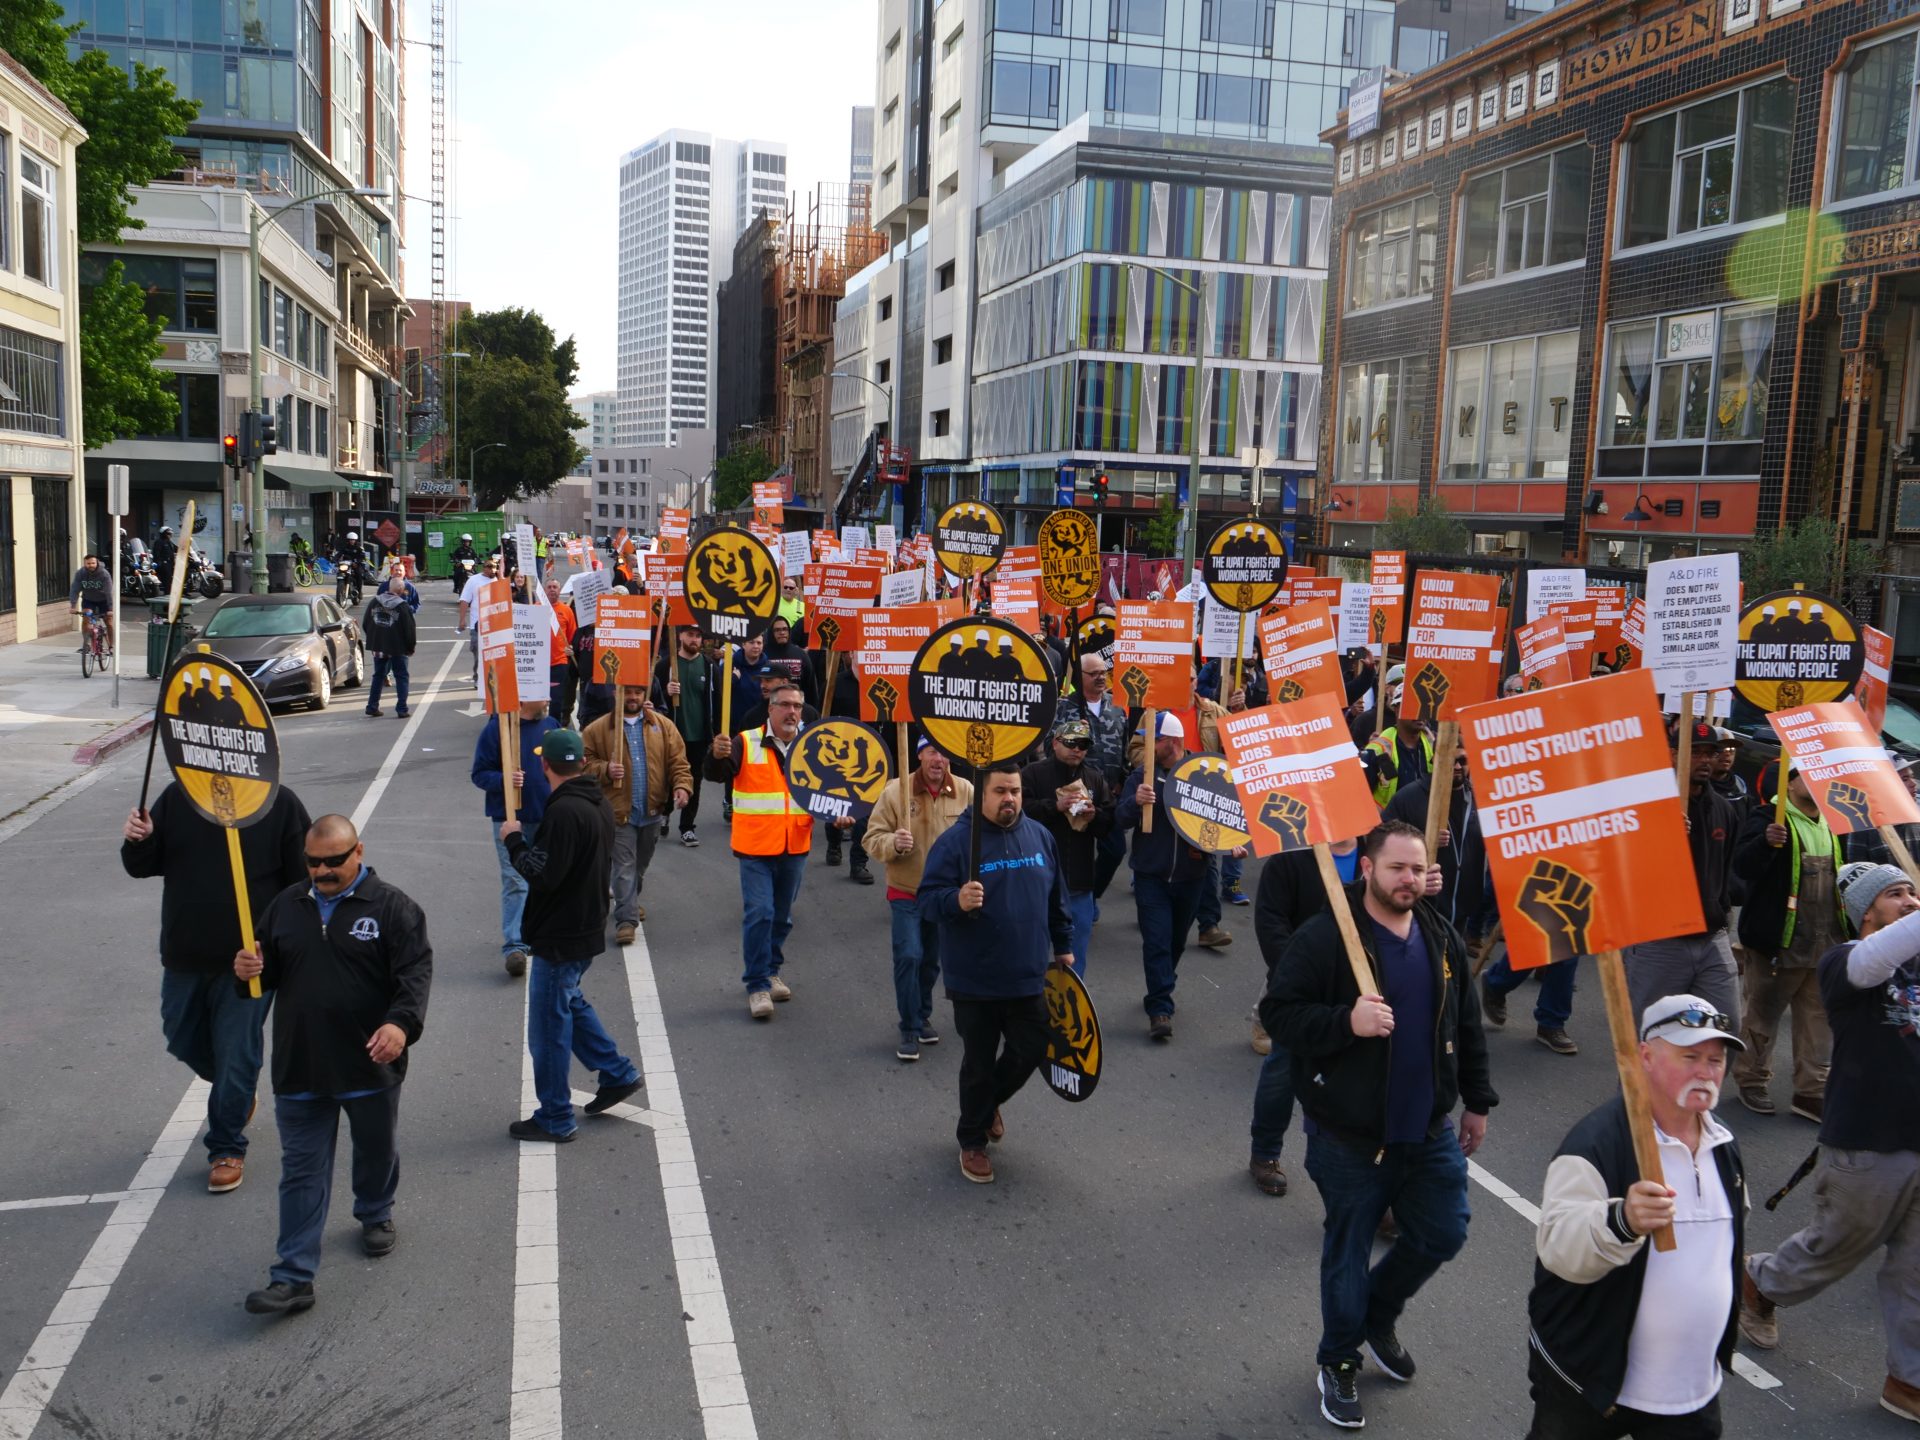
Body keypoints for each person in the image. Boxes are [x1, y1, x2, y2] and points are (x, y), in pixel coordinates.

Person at [1261, 819, 1497, 1431]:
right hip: (1350, 1135)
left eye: (1417, 869)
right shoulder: (1327, 938)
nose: (1408, 880)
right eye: (1396, 868)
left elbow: (1466, 1024)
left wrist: (1478, 1099)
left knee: (1444, 1232)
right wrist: (1347, 1023)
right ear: (1367, 869)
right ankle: (1337, 1360)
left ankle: (1378, 1313)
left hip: (1427, 1127)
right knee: (1347, 1249)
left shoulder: (1439, 936)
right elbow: (1279, 1015)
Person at [1739, 863, 1920, 1423]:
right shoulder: (1844, 963)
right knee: (1834, 1249)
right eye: (1897, 894)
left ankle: (1907, 1379)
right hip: (1868, 1139)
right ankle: (1760, 1281)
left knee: (1917, 1268)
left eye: (1914, 889)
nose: (1911, 899)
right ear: (1867, 912)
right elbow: (1872, 961)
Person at [233, 816, 433, 1314]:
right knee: (301, 1171)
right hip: (301, 1066)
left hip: (369, 1065)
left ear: (358, 852)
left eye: (333, 861)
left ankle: (374, 1211)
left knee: (375, 1149)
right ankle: (293, 1276)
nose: (321, 871)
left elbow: (414, 976)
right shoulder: (286, 906)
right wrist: (245, 973)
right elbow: (262, 976)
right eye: (313, 861)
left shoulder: (394, 909)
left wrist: (400, 1026)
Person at [1525, 994, 1746, 1438]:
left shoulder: (1724, 1145)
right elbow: (1558, 1247)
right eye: (1691, 1056)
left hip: (1692, 1392)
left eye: (1716, 1059)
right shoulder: (1594, 1145)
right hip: (1590, 1385)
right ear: (1645, 1056)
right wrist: (1621, 1221)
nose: (1707, 1070)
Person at [121, 783, 312, 1194]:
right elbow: (141, 865)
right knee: (181, 1038)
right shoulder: (178, 797)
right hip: (185, 953)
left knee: (236, 1052)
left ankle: (226, 1147)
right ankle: (237, 1092)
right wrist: (139, 839)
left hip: (249, 962)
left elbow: (302, 886)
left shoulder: (279, 802)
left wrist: (282, 947)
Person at [917, 764, 1075, 1184]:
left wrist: (1064, 945)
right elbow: (927, 902)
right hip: (975, 979)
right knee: (979, 1063)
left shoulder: (1039, 836)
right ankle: (972, 1141)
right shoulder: (955, 844)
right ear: (981, 796)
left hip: (1028, 974)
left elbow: (1056, 896)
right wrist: (956, 900)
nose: (1010, 798)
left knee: (1032, 1048)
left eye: (1016, 791)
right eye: (1001, 790)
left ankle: (986, 1106)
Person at [500, 729, 644, 1140]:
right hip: (584, 926)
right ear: (581, 762)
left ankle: (555, 1116)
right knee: (569, 1001)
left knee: (547, 1028)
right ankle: (616, 1072)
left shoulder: (562, 813)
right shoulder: (595, 803)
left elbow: (542, 874)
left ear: (545, 765)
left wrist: (513, 843)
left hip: (560, 935)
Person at [1730, 761, 1841, 1120]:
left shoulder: (1829, 819)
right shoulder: (1767, 817)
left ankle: (1811, 1092)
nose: (1816, 781)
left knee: (1818, 1021)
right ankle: (1752, 1080)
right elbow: (1742, 867)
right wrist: (1765, 843)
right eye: (1805, 775)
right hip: (1779, 942)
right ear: (1789, 784)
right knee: (1762, 1015)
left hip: (1824, 941)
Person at [1248, 834, 1358, 1197]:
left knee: (1360, 1085)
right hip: (1301, 993)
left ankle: (1360, 1184)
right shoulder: (1290, 859)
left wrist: (1426, 884)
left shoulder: (1378, 852)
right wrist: (1297, 974)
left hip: (1361, 995)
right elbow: (1271, 922)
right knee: (1283, 1071)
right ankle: (1265, 1153)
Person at [1624, 720, 1742, 1034]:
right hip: (1659, 940)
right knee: (1649, 1037)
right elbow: (1624, 865)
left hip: (1711, 939)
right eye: (1696, 752)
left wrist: (1722, 917)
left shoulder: (1724, 810)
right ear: (1673, 753)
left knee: (1726, 1030)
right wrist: (1658, 834)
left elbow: (1724, 871)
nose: (1705, 759)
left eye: (1710, 753)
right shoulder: (1647, 804)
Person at [705, 680, 813, 1019]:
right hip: (755, 847)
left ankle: (771, 969)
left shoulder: (814, 743)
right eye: (785, 705)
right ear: (770, 708)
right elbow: (715, 773)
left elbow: (832, 789)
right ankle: (756, 985)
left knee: (782, 917)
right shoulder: (745, 741)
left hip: (795, 843)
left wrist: (841, 816)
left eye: (797, 706)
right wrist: (715, 754)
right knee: (760, 913)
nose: (792, 712)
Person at [863, 737, 975, 1061]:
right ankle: (909, 1027)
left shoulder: (966, 790)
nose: (938, 759)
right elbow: (872, 837)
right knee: (909, 955)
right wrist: (893, 843)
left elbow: (981, 835)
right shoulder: (895, 791)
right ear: (920, 756)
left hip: (943, 895)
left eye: (944, 753)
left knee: (930, 960)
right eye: (932, 752)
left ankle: (922, 1013)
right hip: (905, 889)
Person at [1115, 712, 1213, 1040]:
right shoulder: (1142, 775)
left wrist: (1232, 846)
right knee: (1156, 941)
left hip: (1191, 875)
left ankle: (1162, 983)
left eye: (1152, 740)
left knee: (1174, 942)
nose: (1145, 745)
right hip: (1150, 875)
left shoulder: (1202, 773)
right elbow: (1121, 819)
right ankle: (1160, 1008)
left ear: (1171, 742)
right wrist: (1134, 802)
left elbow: (1223, 819)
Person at [582, 687, 692, 944]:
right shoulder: (597, 730)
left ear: (644, 695)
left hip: (652, 811)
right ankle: (626, 920)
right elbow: (583, 765)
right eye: (627, 692)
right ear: (616, 695)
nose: (632, 697)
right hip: (617, 813)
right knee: (624, 868)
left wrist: (682, 786)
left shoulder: (663, 726)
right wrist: (605, 769)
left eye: (637, 693)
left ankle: (627, 899)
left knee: (639, 865)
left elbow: (679, 762)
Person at [470, 701, 559, 977]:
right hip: (510, 819)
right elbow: (479, 774)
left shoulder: (551, 725)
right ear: (522, 699)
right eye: (540, 693)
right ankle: (515, 946)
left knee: (545, 879)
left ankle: (542, 933)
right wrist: (503, 779)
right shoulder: (496, 729)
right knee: (515, 880)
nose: (546, 698)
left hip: (546, 817)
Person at [1020, 719, 1114, 975]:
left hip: (1079, 883)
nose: (1077, 749)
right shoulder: (1033, 774)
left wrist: (1095, 815)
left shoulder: (1094, 778)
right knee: (1033, 952)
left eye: (1083, 744)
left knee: (1074, 956)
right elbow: (1018, 815)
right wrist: (1055, 806)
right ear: (1055, 743)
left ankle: (1073, 1006)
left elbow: (1109, 825)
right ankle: (1032, 1005)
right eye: (1071, 742)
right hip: (1037, 880)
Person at [1054, 652, 1132, 900]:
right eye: (1094, 673)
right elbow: (1048, 747)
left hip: (1107, 796)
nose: (1101, 678)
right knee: (1075, 853)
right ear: (1080, 676)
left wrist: (1122, 779)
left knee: (1115, 850)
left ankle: (1092, 893)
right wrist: (1073, 735)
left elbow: (1125, 747)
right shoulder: (1065, 708)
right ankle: (1073, 900)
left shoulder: (1117, 708)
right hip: (1074, 792)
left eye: (1103, 672)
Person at [656, 624, 720, 847]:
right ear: (680, 636)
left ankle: (687, 827)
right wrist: (666, 692)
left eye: (698, 636)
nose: (694, 640)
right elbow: (653, 700)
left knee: (694, 780)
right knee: (665, 778)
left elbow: (718, 700)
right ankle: (663, 814)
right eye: (690, 635)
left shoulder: (709, 667)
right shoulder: (666, 665)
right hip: (671, 735)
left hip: (699, 736)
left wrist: (718, 733)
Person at [361, 574, 417, 718]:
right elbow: (409, 630)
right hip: (398, 647)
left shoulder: (374, 602)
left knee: (378, 676)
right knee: (401, 676)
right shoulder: (403, 606)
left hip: (378, 645)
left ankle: (372, 706)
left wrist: (374, 639)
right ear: (401, 590)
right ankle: (402, 709)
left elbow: (366, 623)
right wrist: (410, 647)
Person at [1362, 708, 1435, 807]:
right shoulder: (1376, 749)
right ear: (1397, 710)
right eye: (1414, 707)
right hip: (1389, 819)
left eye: (1423, 708)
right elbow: (1361, 794)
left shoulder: (1434, 744)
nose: (1420, 714)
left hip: (1424, 818)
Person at [459, 554, 501, 683]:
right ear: (484, 568)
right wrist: (462, 619)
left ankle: (493, 678)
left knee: (495, 654)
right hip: (477, 624)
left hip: (494, 623)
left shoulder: (498, 580)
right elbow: (465, 600)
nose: (493, 570)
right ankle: (478, 678)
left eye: (495, 567)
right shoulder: (474, 580)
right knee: (478, 652)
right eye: (490, 567)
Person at [544, 578, 579, 727]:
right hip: (539, 664)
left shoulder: (566, 611)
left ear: (559, 591)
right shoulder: (536, 607)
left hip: (559, 663)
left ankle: (554, 729)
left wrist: (571, 648)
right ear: (545, 590)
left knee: (556, 700)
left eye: (555, 587)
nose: (552, 589)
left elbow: (573, 636)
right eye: (549, 587)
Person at [69, 552, 112, 624]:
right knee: (87, 618)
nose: (91, 565)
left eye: (93, 563)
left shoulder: (104, 574)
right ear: (84, 564)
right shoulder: (80, 573)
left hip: (104, 600)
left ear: (97, 563)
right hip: (88, 600)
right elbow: (74, 590)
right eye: (88, 563)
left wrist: (111, 608)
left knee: (109, 622)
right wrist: (73, 606)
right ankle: (87, 634)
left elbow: (109, 592)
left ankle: (110, 635)